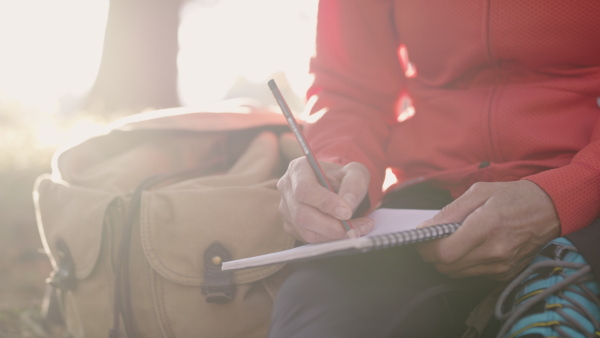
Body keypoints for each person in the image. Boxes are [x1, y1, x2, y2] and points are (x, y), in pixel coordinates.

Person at [268, 1, 600, 337]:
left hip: (587, 195)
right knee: (321, 309)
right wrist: (338, 167)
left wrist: (568, 192)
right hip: (430, 203)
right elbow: (351, 88)